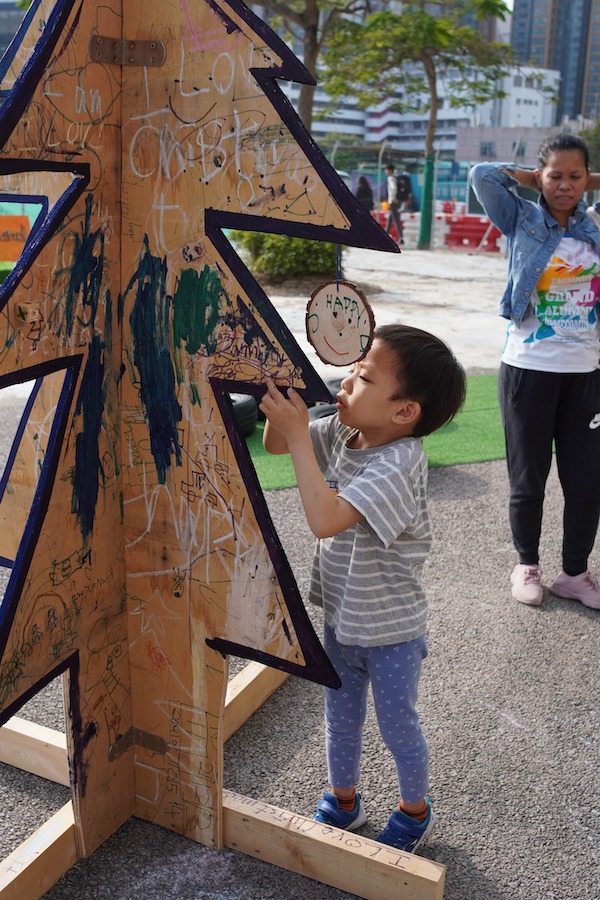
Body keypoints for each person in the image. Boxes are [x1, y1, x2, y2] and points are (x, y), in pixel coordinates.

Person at [259, 324, 466, 852]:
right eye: (353, 368)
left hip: (390, 629)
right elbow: (278, 444)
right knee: (340, 717)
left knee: (398, 727)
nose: (348, 380)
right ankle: (343, 800)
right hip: (343, 618)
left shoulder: (400, 461)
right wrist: (290, 397)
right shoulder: (350, 432)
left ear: (404, 412)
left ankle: (414, 812)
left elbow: (326, 519)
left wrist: (304, 433)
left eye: (364, 376)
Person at [470, 132, 600, 610]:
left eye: (575, 176)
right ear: (539, 177)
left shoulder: (595, 227)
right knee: (530, 478)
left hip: (586, 373)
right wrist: (531, 180)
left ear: (588, 178)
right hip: (529, 368)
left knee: (587, 481)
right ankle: (527, 564)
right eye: (555, 176)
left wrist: (588, 184)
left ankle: (574, 573)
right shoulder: (522, 218)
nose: (565, 185)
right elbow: (480, 176)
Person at [384, 164, 411, 244]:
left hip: (393, 201)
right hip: (394, 201)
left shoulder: (391, 178)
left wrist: (392, 198)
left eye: (387, 170)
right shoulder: (395, 178)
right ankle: (385, 235)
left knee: (396, 220)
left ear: (390, 171)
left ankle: (401, 238)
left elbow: (393, 188)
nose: (386, 172)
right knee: (390, 219)